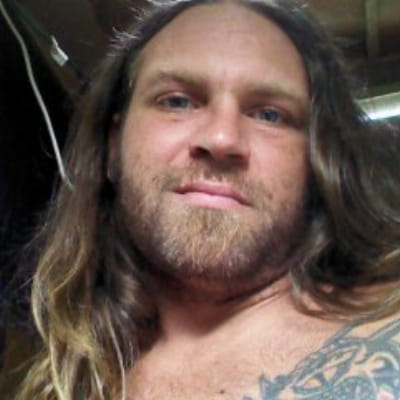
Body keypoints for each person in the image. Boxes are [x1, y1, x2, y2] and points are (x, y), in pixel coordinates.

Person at [15, 0, 400, 399]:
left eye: (269, 115)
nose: (221, 139)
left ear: (318, 160)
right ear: (114, 146)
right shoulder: (64, 379)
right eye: (177, 101)